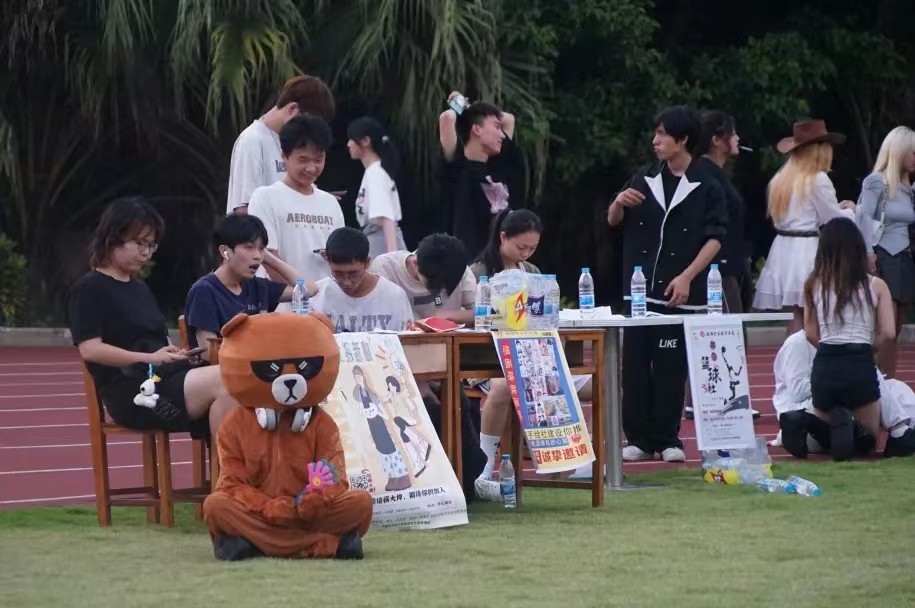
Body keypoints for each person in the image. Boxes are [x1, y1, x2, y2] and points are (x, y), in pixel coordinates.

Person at [606, 105, 728, 463]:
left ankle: (667, 438)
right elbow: (613, 221)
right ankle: (638, 438)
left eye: (662, 134)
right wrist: (618, 202)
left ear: (683, 139)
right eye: (656, 133)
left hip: (680, 293)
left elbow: (716, 238)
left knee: (671, 368)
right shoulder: (644, 176)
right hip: (640, 291)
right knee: (635, 366)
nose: (655, 141)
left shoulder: (707, 184)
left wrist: (688, 276)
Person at [68, 197, 238, 438]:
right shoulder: (89, 289)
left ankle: (226, 463)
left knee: (236, 382)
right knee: (227, 379)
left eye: (151, 245)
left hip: (165, 378)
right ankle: (230, 463)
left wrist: (178, 355)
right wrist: (150, 358)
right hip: (141, 398)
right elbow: (91, 350)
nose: (146, 252)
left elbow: (157, 340)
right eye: (140, 243)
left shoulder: (140, 288)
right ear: (112, 238)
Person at [467, 209, 593, 480]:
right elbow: (471, 318)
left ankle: (581, 455)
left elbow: (545, 316)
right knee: (503, 386)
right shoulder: (479, 273)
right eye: (520, 247)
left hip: (535, 358)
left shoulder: (532, 272)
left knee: (602, 383)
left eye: (532, 248)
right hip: (491, 359)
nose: (525, 253)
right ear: (503, 237)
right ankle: (485, 464)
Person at [803, 217, 896, 461]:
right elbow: (889, 332)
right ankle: (851, 428)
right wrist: (870, 351)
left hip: (826, 363)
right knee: (869, 440)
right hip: (859, 361)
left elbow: (810, 332)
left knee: (824, 440)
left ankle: (803, 423)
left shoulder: (813, 285)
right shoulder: (876, 286)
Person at [753, 120, 855, 335]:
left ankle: (793, 356)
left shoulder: (780, 179)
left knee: (794, 317)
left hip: (783, 249)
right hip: (806, 249)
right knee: (812, 316)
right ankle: (811, 356)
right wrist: (851, 211)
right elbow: (832, 219)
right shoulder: (817, 179)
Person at [248, 114, 344, 311]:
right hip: (284, 309)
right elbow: (268, 257)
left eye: (318, 160)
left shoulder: (330, 203)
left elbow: (343, 257)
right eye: (303, 160)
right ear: (284, 156)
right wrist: (303, 295)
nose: (311, 168)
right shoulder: (265, 198)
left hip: (328, 310)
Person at [184, 214, 316, 355]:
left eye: (261, 249)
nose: (257, 256)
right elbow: (209, 354)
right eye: (249, 247)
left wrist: (271, 260)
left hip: (261, 363)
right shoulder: (204, 291)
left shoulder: (258, 286)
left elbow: (309, 290)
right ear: (224, 251)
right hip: (224, 366)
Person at [772, 330, 915, 459]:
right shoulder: (797, 343)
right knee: (865, 375)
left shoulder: (843, 339)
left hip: (839, 404)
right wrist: (836, 381)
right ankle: (867, 434)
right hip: (809, 413)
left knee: (894, 386)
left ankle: (905, 430)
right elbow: (797, 392)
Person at [854, 126, 915, 378]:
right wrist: (868, 253)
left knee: (895, 328)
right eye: (912, 152)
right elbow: (863, 217)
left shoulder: (907, 188)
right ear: (899, 152)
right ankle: (869, 376)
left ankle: (888, 381)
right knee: (884, 329)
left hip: (903, 258)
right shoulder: (876, 181)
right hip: (883, 256)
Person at [226, 75, 335, 214]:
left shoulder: (292, 141)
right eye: (307, 122)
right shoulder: (252, 141)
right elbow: (243, 210)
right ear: (292, 109)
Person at [439, 97, 519, 261]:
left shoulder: (499, 165)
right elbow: (448, 117)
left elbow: (509, 119)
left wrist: (478, 112)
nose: (502, 135)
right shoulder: (457, 166)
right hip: (469, 264)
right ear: (476, 129)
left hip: (500, 263)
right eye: (496, 127)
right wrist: (468, 109)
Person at [310, 227, 414, 333]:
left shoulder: (394, 296)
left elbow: (408, 338)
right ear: (328, 261)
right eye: (338, 273)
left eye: (353, 273)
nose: (347, 282)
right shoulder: (317, 296)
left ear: (367, 263)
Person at [370, 233, 476, 325]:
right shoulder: (386, 267)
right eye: (434, 283)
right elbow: (381, 315)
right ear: (415, 263)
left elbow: (484, 314)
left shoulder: (457, 269)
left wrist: (449, 315)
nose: (439, 288)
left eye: (445, 285)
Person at [346, 117, 407, 257]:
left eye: (351, 139)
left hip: (382, 241)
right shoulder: (374, 171)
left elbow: (386, 216)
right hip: (376, 239)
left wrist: (392, 257)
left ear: (365, 141)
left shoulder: (375, 173)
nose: (348, 144)